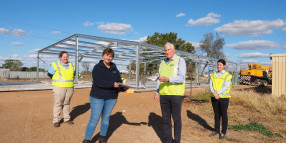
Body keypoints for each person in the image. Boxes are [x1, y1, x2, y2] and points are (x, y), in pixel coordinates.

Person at [83, 48, 128, 143]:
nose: (108, 57)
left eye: (110, 56)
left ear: (112, 57)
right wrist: (112, 84)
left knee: (106, 118)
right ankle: (87, 139)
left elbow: (119, 82)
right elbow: (98, 82)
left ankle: (102, 137)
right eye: (107, 55)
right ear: (103, 55)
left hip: (111, 97)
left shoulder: (114, 69)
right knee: (94, 119)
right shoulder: (97, 67)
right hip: (97, 97)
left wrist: (122, 88)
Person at [154, 42, 186, 143]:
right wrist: (157, 91)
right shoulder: (162, 62)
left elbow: (181, 78)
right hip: (164, 94)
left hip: (176, 94)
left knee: (176, 119)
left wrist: (168, 79)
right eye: (165, 50)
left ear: (174, 50)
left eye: (169, 50)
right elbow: (159, 78)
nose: (167, 52)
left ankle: (176, 140)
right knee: (165, 119)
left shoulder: (180, 60)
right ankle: (168, 140)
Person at [48, 51, 75, 127]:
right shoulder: (55, 64)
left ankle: (67, 118)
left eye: (67, 57)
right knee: (58, 103)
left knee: (67, 103)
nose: (65, 58)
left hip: (69, 87)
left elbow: (75, 74)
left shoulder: (72, 65)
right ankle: (56, 120)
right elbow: (49, 74)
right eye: (64, 57)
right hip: (59, 87)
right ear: (60, 57)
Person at [209, 59, 232, 140]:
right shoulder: (213, 74)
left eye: (220, 65)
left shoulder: (227, 75)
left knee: (224, 115)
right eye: (218, 65)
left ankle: (223, 132)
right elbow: (211, 84)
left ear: (224, 66)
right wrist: (214, 93)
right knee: (216, 115)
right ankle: (216, 130)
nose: (219, 66)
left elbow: (226, 86)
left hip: (223, 98)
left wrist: (217, 93)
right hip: (214, 97)